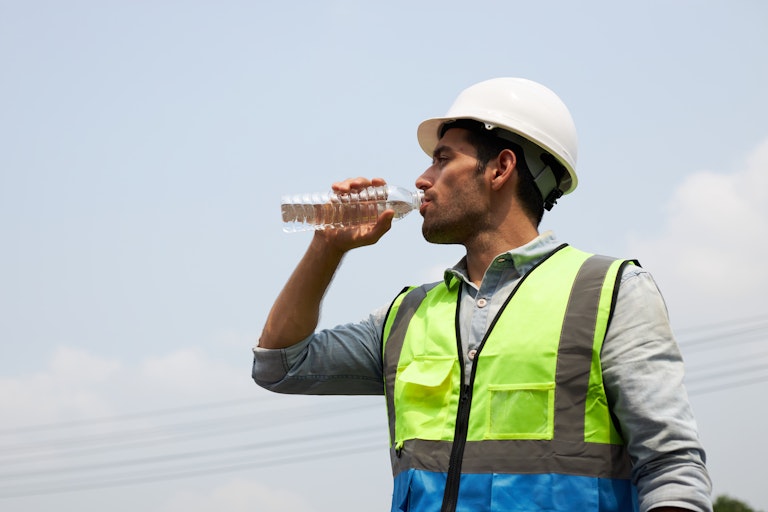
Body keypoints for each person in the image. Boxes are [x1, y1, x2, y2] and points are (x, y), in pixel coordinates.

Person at [252, 78, 713, 512]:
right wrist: (326, 247)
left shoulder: (610, 293)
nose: (421, 179)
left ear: (501, 168)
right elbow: (278, 364)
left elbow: (672, 468)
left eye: (442, 158)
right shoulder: (407, 316)